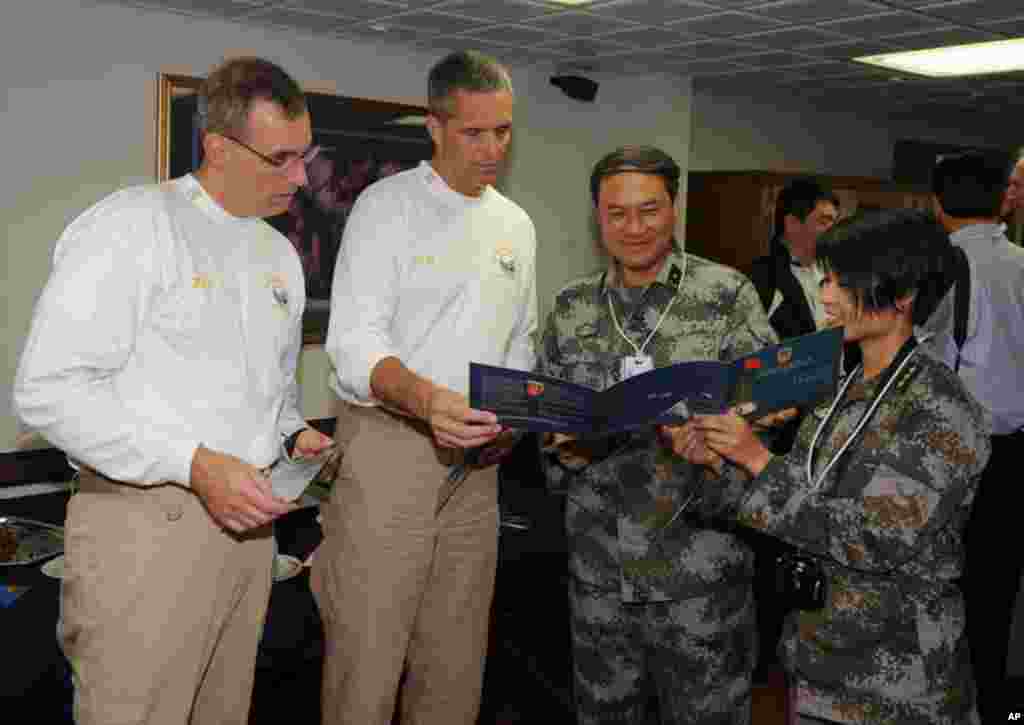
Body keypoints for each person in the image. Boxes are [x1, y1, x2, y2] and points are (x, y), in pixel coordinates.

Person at [12, 56, 334, 724]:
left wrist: (291, 431)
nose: (301, 178)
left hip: (248, 535)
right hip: (146, 530)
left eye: (305, 156)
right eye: (280, 158)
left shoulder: (278, 257)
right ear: (218, 147)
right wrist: (191, 460)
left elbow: (266, 394)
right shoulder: (132, 227)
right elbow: (46, 391)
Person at [664, 208, 991, 725]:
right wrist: (716, 463)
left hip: (901, 685)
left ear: (902, 295)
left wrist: (755, 457)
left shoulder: (940, 409)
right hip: (821, 666)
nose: (827, 296)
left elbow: (875, 538)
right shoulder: (841, 390)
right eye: (826, 279)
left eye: (842, 281)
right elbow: (794, 505)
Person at [316, 50, 537, 725]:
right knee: (367, 663)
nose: (493, 147)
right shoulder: (387, 209)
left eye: (503, 130)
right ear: (435, 128)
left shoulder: (516, 225)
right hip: (390, 449)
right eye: (475, 132)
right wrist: (428, 402)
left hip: (477, 467)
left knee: (455, 667)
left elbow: (519, 345)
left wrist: (514, 421)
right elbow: (354, 345)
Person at [536, 145, 777, 724]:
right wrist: (567, 447)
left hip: (700, 576)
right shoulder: (570, 307)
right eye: (617, 214)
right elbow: (547, 426)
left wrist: (720, 432)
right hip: (600, 579)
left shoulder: (727, 295)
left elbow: (773, 407)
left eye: (649, 210)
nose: (634, 228)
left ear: (674, 208)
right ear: (597, 216)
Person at [929, 151, 1024, 722]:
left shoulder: (937, 268)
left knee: (944, 596)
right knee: (998, 594)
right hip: (1016, 457)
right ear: (1003, 201)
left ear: (937, 204)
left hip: (955, 457)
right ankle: (992, 708)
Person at [749, 177, 839, 341]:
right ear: (792, 223)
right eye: (824, 222)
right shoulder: (761, 280)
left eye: (834, 222)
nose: (834, 231)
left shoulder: (839, 274)